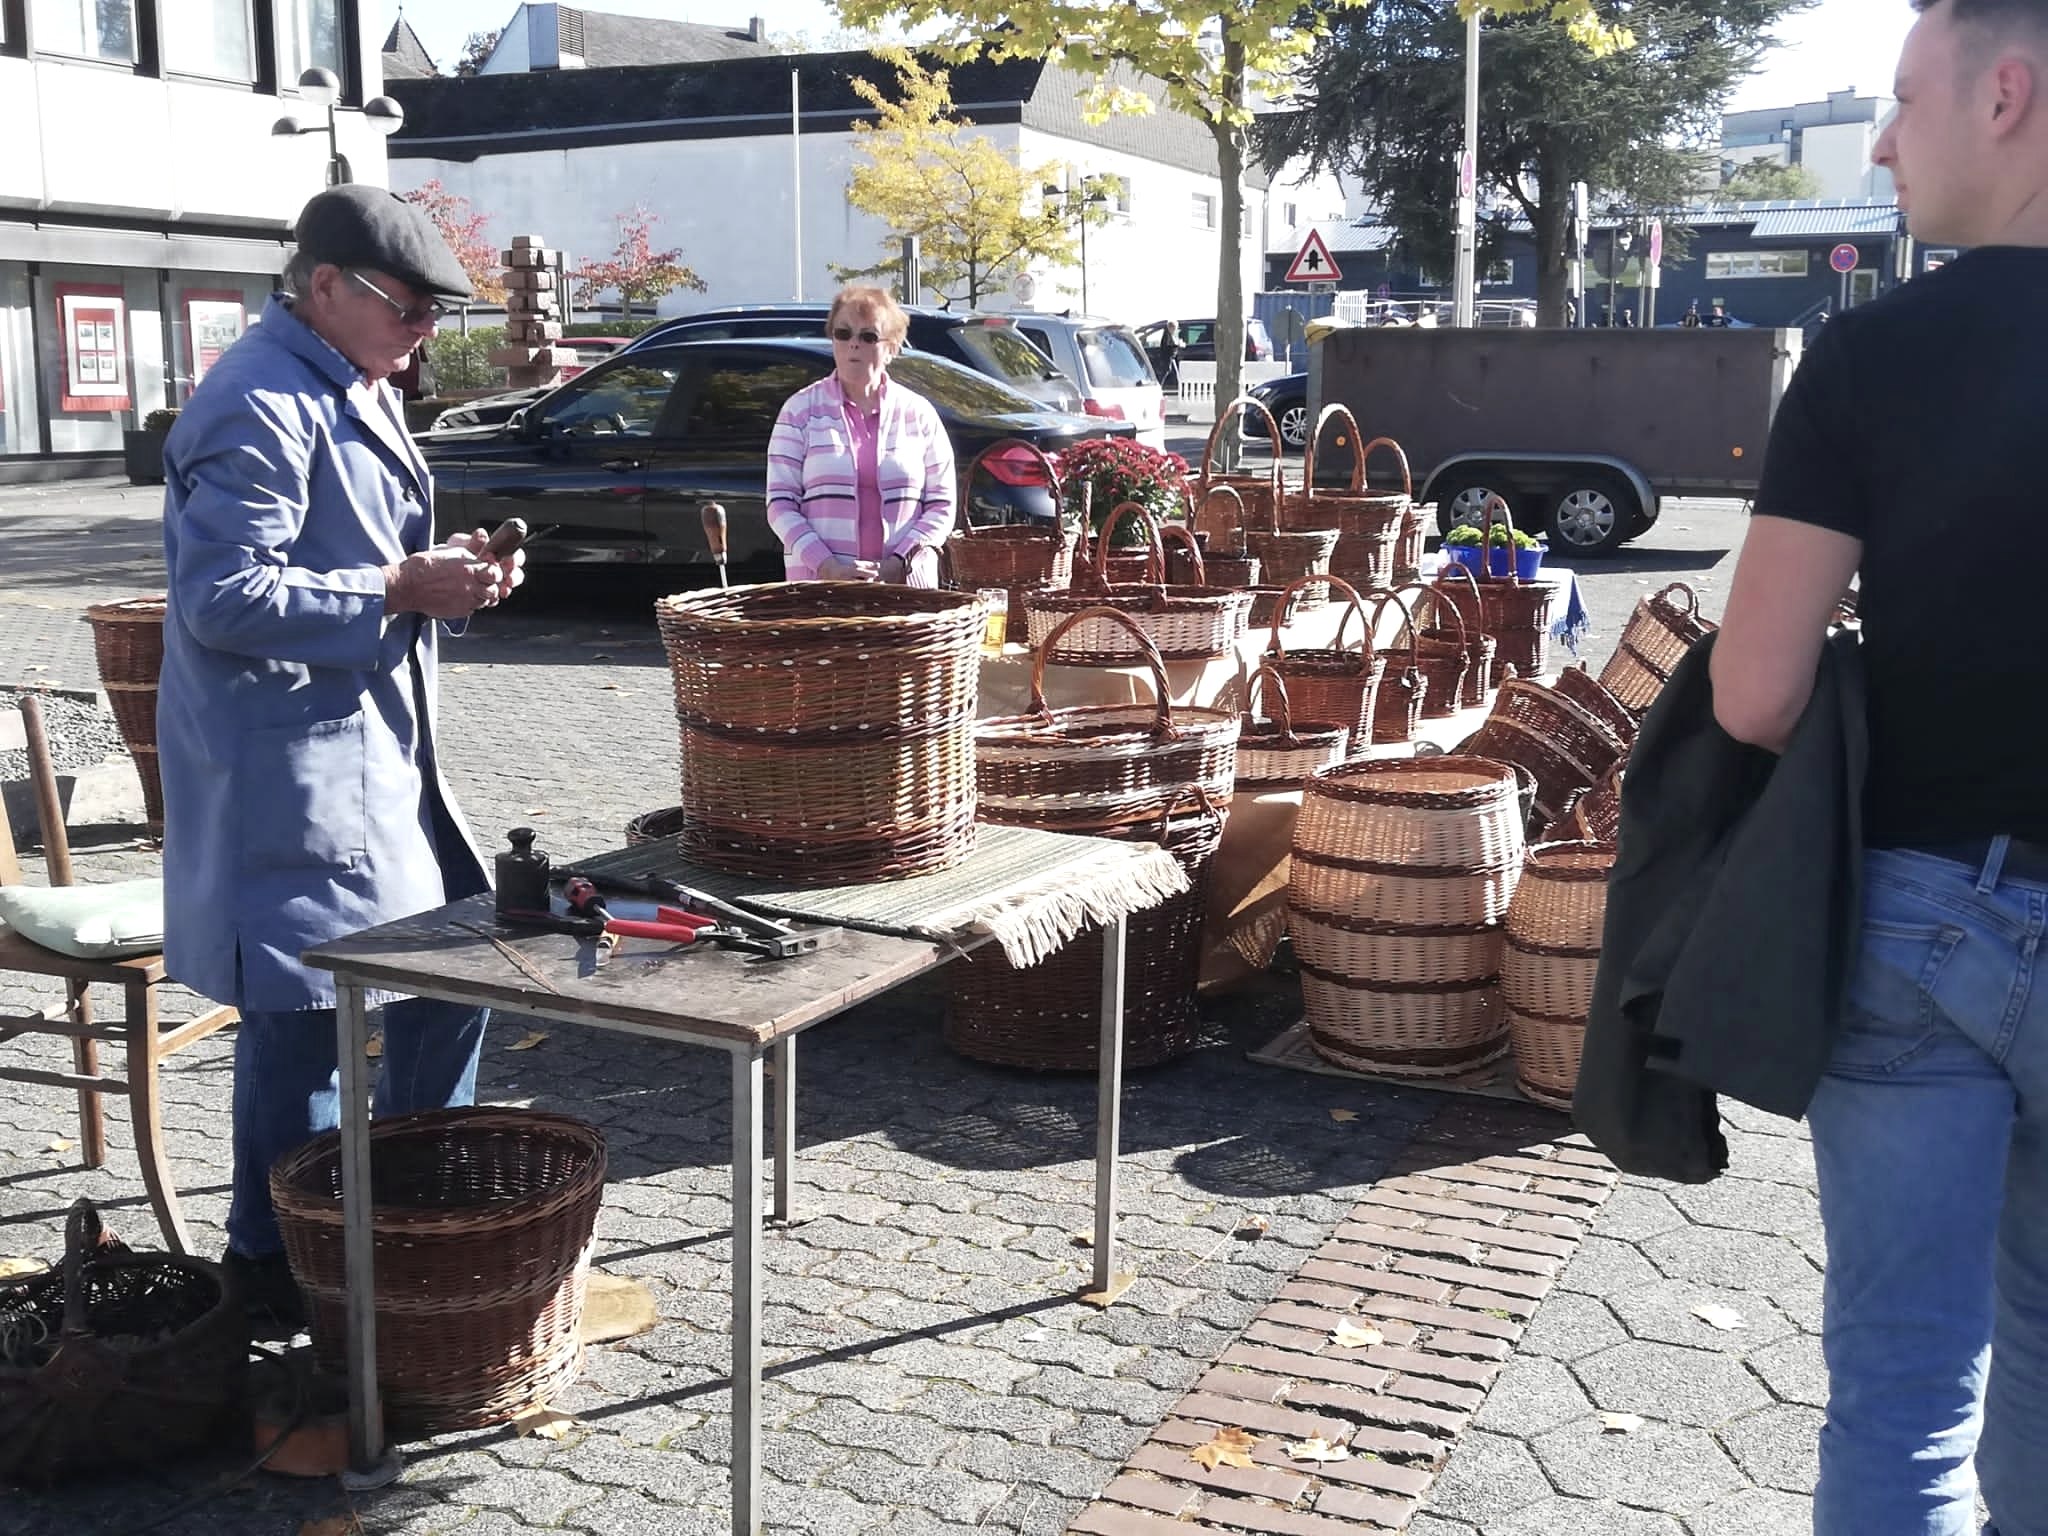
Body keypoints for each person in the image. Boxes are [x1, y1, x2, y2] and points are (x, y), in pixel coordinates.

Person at [1708, 3, 2048, 1533]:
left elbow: (1755, 693)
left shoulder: (1871, 356)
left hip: (1920, 918)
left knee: (1904, 1393)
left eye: (1907, 101)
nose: (1888, 144)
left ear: (2008, 95)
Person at [157, 185, 524, 1331]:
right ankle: (276, 1272)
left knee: (450, 977)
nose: (423, 329)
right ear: (324, 286)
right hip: (290, 771)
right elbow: (223, 596)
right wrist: (398, 586)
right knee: (305, 1019)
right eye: (406, 306)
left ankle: (413, 1215)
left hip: (374, 755)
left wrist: (447, 574)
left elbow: (356, 553)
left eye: (434, 313)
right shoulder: (259, 399)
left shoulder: (341, 376)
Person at [766, 284, 955, 584]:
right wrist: (826, 566)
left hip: (906, 590)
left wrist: (900, 563)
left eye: (868, 336)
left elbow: (942, 505)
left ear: (892, 348)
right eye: (843, 333)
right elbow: (780, 504)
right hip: (820, 590)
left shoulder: (919, 414)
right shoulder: (799, 411)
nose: (853, 344)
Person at [1159, 319, 1186, 391]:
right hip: (1167, 357)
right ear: (1171, 328)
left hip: (1171, 357)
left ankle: (1180, 388)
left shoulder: (1170, 335)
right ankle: (1159, 386)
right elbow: (1170, 344)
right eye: (1175, 328)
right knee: (1166, 371)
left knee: (1174, 372)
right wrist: (1179, 344)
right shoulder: (1167, 335)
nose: (1175, 330)